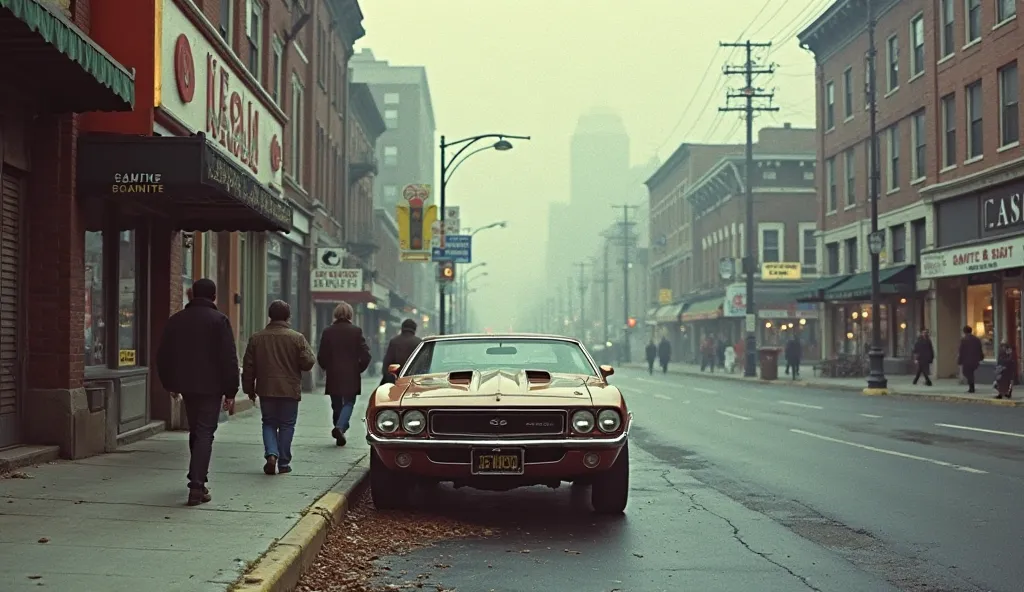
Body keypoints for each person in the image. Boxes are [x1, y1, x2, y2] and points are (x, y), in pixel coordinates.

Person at [156, 278, 239, 506]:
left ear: (191, 295)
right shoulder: (219, 321)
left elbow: (163, 355)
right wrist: (231, 390)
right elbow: (228, 358)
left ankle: (197, 478)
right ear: (213, 297)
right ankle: (197, 485)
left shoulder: (177, 320)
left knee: (196, 430)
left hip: (187, 386)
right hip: (211, 387)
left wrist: (170, 383)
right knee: (204, 432)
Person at [241, 300, 316, 476]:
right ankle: (283, 462)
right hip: (289, 389)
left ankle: (271, 454)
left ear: (270, 316)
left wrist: (249, 389)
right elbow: (309, 362)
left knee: (268, 422)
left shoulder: (257, 338)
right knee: (287, 424)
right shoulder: (297, 338)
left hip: (266, 388)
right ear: (288, 316)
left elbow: (248, 367)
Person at [317, 302, 371, 446]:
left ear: (335, 314)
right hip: (351, 373)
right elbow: (366, 355)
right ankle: (340, 428)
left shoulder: (328, 331)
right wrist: (358, 368)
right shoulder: (356, 331)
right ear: (350, 315)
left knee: (336, 404)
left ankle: (339, 428)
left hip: (333, 372)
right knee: (348, 402)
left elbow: (321, 354)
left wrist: (325, 367)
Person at [381, 318, 422, 384]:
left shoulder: (394, 341)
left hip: (396, 379)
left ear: (402, 328)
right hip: (414, 380)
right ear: (414, 329)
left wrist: (388, 378)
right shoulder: (419, 342)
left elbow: (387, 363)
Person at [957, 325, 984, 393]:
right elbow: (980, 349)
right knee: (970, 373)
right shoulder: (976, 339)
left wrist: (959, 360)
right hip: (974, 359)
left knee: (966, 373)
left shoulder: (964, 340)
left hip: (967, 360)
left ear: (964, 332)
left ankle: (971, 387)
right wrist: (980, 357)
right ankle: (972, 386)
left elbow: (961, 351)